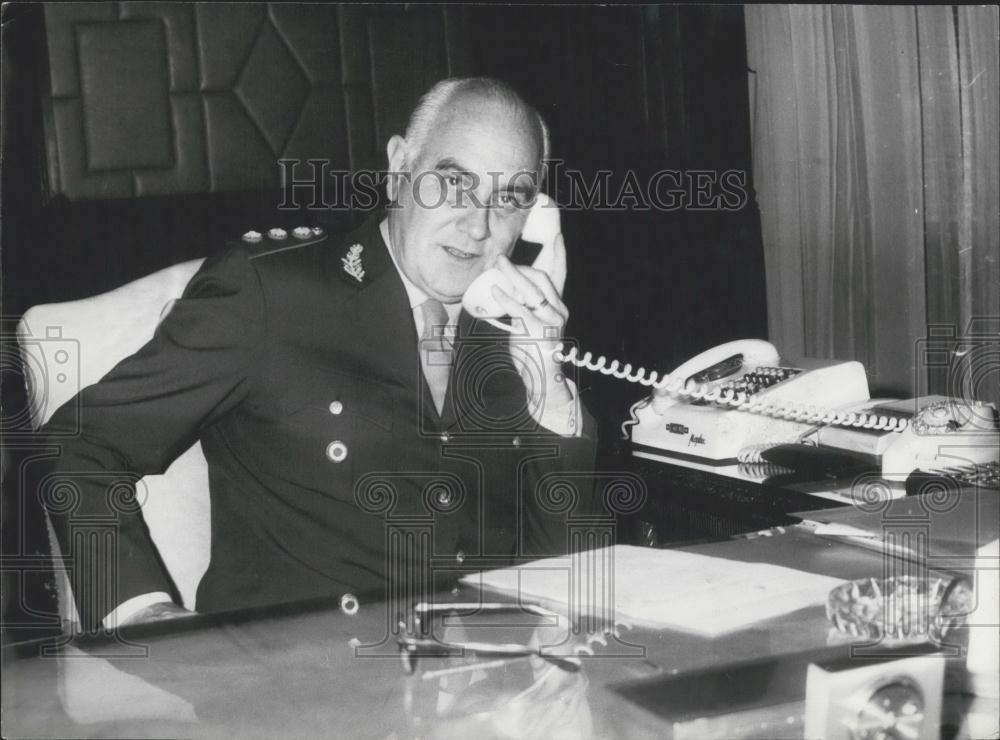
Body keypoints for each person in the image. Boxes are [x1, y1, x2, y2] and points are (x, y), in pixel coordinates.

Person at [35, 77, 597, 631]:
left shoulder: (514, 328)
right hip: (305, 691)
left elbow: (569, 575)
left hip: (487, 688)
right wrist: (142, 612)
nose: (478, 226)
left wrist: (548, 387)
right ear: (400, 167)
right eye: (454, 184)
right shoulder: (272, 294)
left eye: (509, 199)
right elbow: (80, 444)